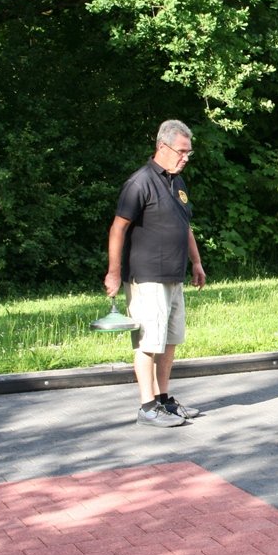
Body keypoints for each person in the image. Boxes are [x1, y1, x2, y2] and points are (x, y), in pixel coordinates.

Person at [104, 119, 207, 428]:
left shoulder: (177, 182)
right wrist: (113, 272)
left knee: (169, 340)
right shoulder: (140, 182)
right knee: (148, 342)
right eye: (181, 151)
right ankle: (147, 407)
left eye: (189, 152)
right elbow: (118, 228)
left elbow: (184, 226)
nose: (186, 157)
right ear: (163, 147)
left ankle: (163, 400)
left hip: (174, 275)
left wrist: (196, 262)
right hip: (147, 277)